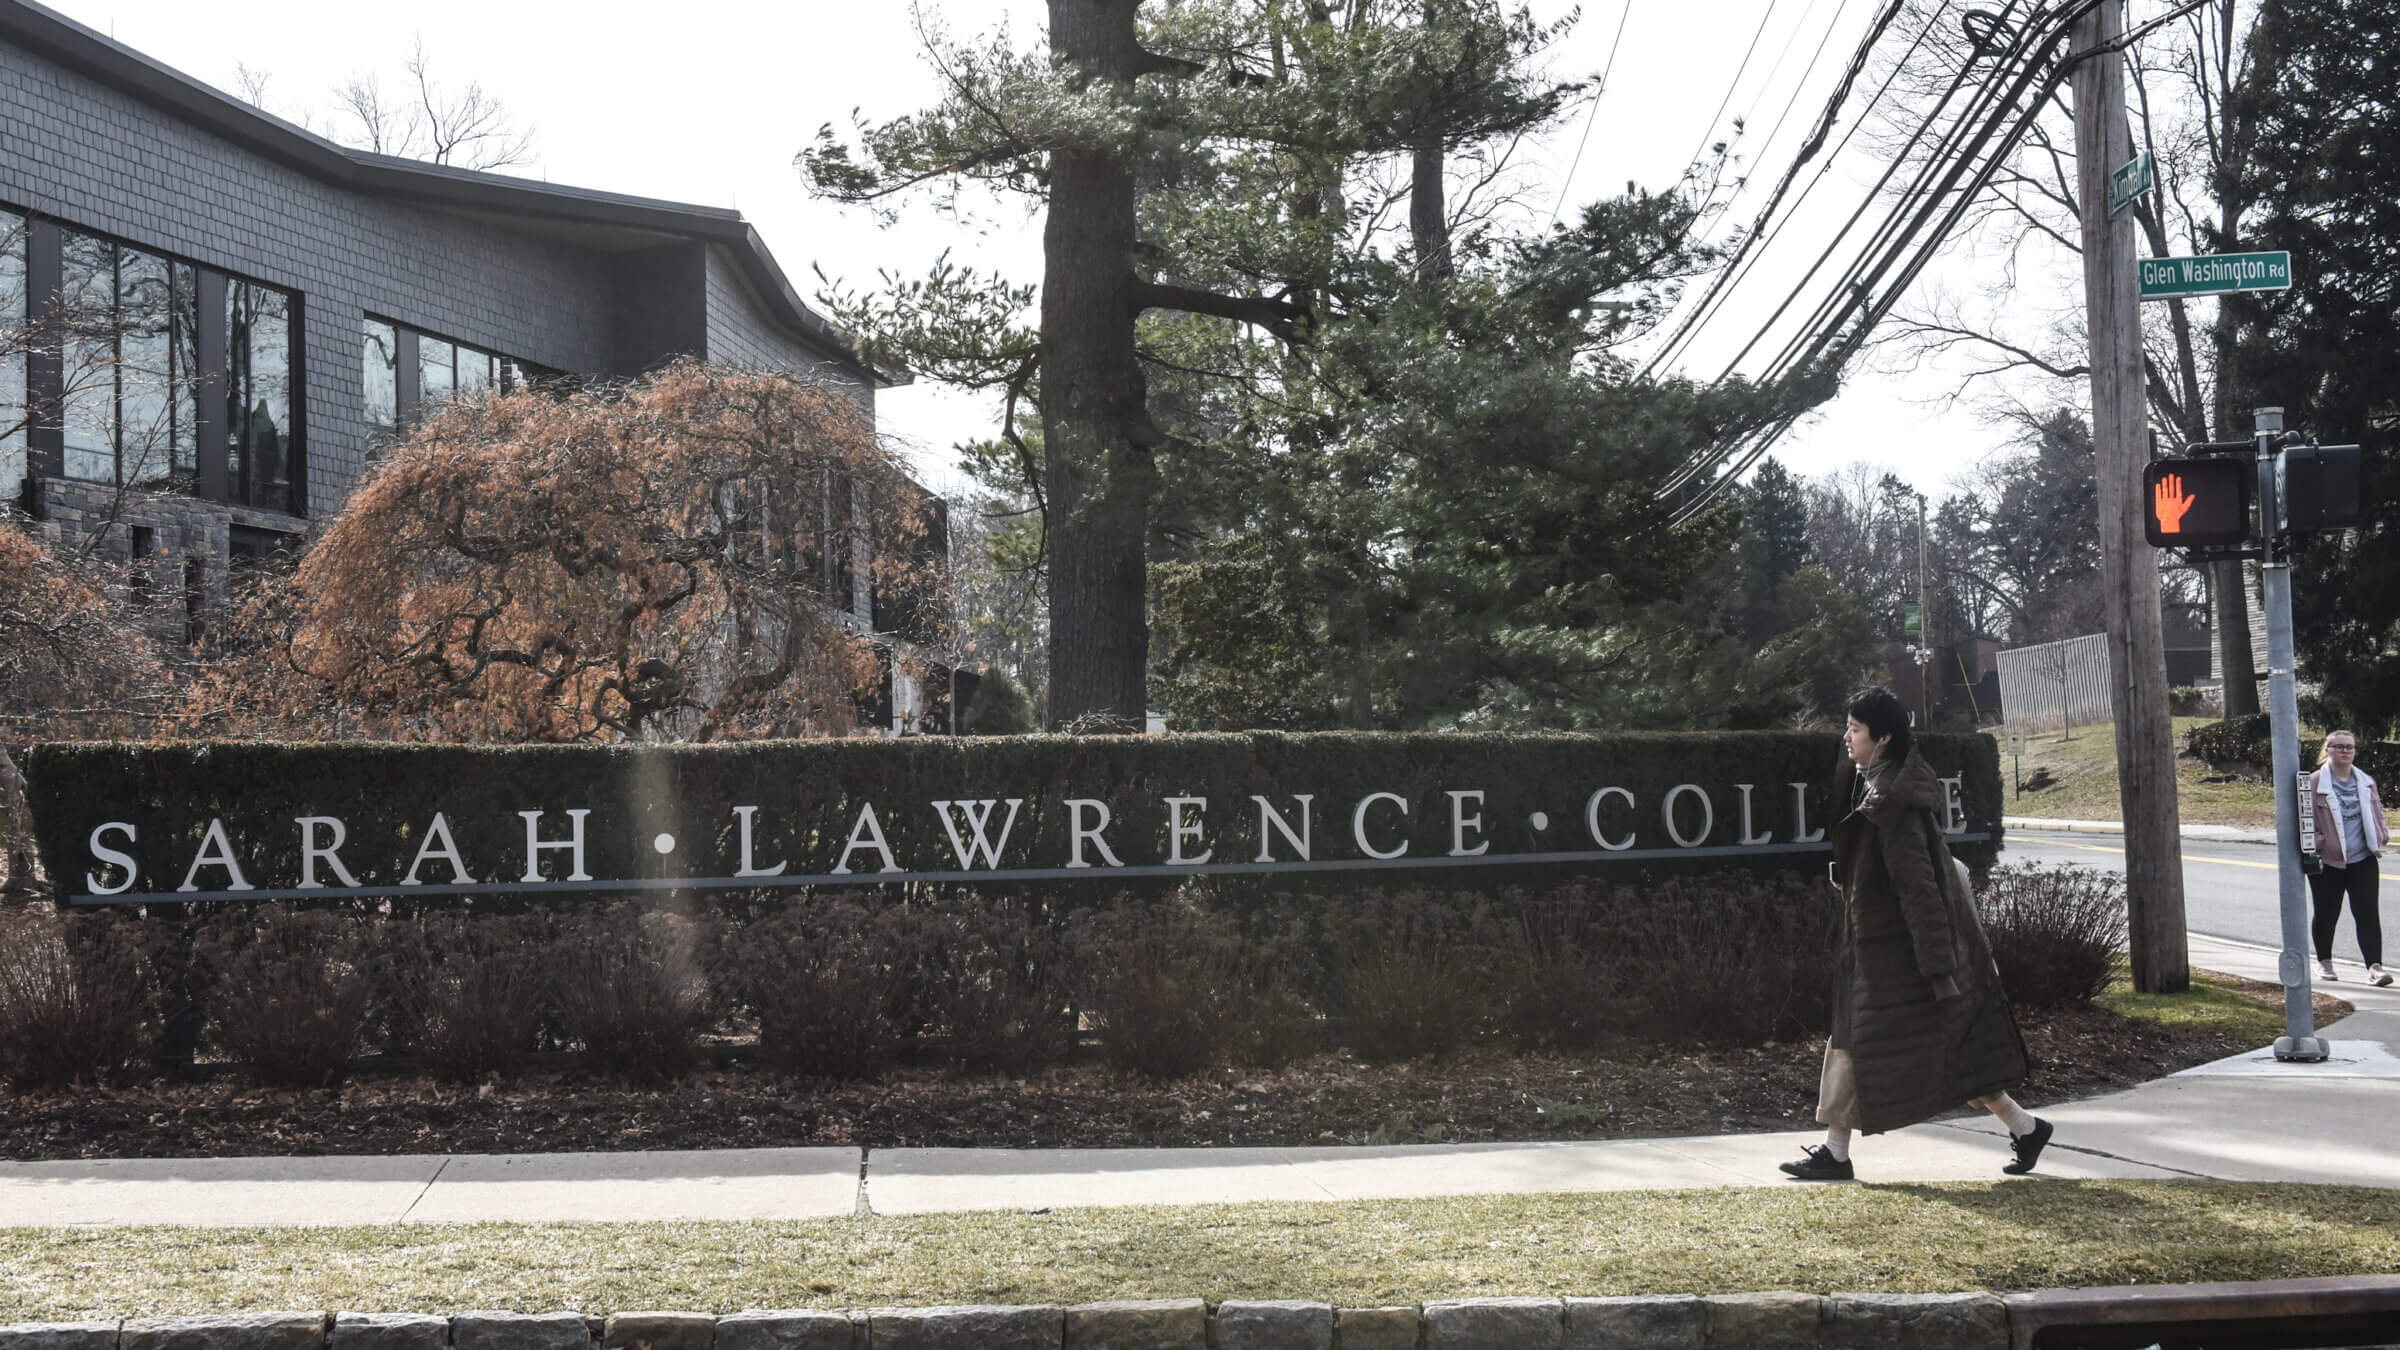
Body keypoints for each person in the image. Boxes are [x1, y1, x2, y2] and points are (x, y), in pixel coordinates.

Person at [1781, 687, 2052, 1182]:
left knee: (1865, 1040)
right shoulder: (1880, 787)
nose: (1846, 737)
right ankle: (2025, 1127)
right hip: (1882, 945)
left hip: (1898, 954)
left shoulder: (1893, 801)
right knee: (1930, 1043)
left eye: (1855, 730)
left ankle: (1836, 1155)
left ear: (1881, 738)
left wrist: (1937, 964)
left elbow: (1919, 885)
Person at [2308, 730, 2391, 987]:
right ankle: (2324, 962)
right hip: (2329, 862)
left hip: (2363, 859)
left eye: (2350, 747)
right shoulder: (2314, 783)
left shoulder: (2366, 781)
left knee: (2367, 913)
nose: (2345, 751)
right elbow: (2305, 822)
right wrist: (2322, 844)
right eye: (2339, 747)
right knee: (2327, 912)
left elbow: (2377, 812)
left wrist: (2381, 835)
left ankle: (2374, 967)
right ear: (2328, 749)